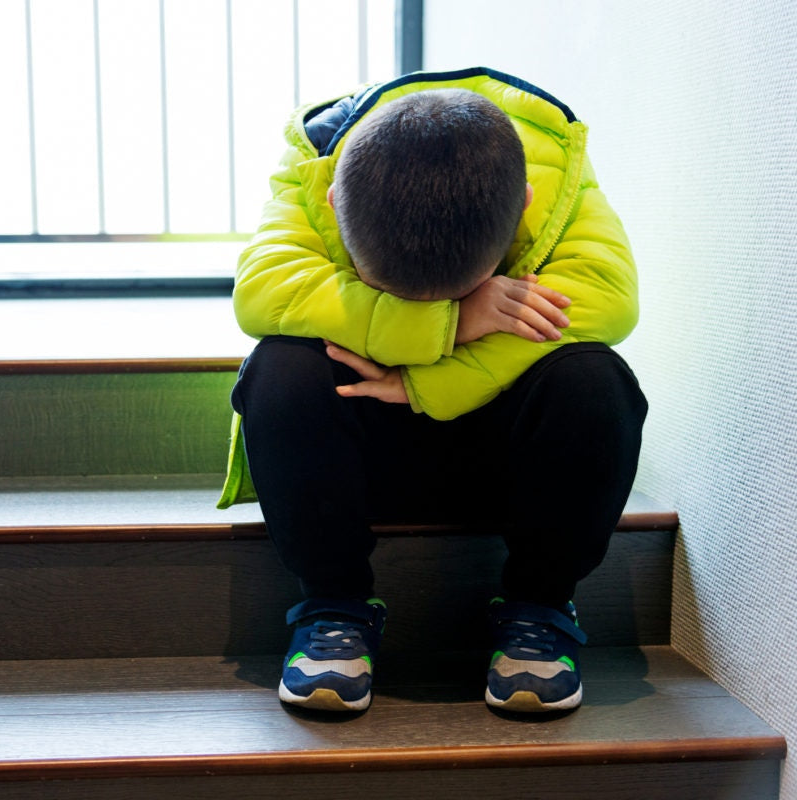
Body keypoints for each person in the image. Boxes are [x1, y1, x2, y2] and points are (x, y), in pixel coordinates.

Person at [216, 68, 648, 714]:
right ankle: (334, 606)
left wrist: (426, 381)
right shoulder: (315, 162)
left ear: (524, 202)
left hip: (500, 453)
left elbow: (609, 300)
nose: (437, 308)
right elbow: (261, 292)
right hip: (359, 450)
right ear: (336, 201)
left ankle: (541, 607)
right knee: (278, 365)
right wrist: (457, 319)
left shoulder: (559, 167)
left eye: (453, 293)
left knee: (593, 377)